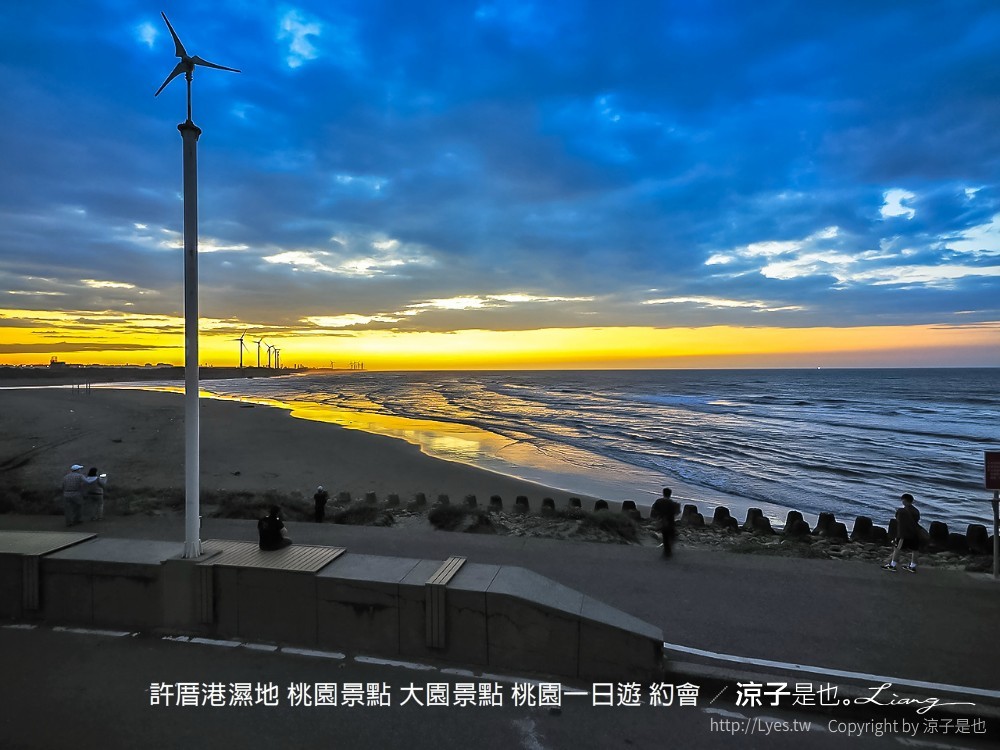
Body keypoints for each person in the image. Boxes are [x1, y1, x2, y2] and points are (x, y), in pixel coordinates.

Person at [883, 493, 922, 573]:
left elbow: (898, 520)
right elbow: (916, 520)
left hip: (904, 534)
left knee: (897, 549)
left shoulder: (902, 511)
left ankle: (892, 565)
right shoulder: (916, 511)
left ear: (904, 500)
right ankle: (912, 566)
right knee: (915, 550)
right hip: (914, 533)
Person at [651, 487, 679, 558]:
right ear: (670, 494)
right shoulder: (672, 503)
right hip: (670, 521)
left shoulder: (659, 501)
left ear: (663, 493)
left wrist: (655, 517)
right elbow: (677, 512)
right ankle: (668, 551)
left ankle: (667, 551)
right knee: (671, 535)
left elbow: (653, 510)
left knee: (665, 536)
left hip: (662, 520)